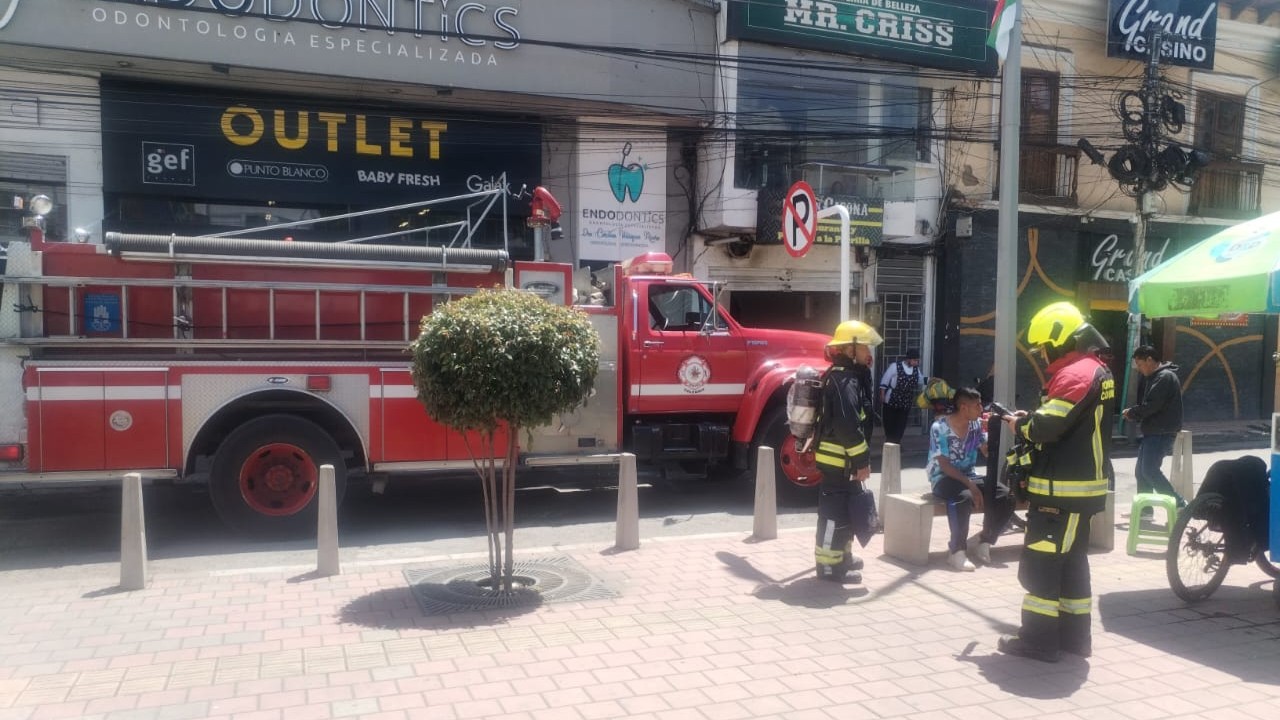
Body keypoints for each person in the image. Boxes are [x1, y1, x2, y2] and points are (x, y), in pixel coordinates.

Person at [997, 301, 1115, 663]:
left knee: (1041, 568)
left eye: (1045, 347)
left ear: (1061, 338)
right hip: (1080, 493)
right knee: (1072, 565)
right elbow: (1068, 422)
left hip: (1059, 495)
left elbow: (1048, 427)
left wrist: (1021, 424)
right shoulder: (1096, 370)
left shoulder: (1076, 374)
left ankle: (1038, 641)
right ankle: (1074, 639)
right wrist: (1032, 417)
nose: (1043, 355)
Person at [813, 320, 882, 583]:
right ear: (850, 349)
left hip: (843, 462)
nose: (869, 354)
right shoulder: (844, 382)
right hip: (838, 463)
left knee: (846, 513)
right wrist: (861, 461)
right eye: (865, 347)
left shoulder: (845, 377)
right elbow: (847, 427)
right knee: (833, 516)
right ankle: (829, 566)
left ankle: (843, 557)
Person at [926, 387, 1015, 571]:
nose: (981, 408)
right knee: (964, 497)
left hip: (969, 476)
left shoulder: (974, 426)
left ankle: (985, 540)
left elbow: (985, 450)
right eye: (977, 405)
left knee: (1006, 496)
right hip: (942, 478)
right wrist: (971, 486)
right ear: (964, 407)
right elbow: (943, 465)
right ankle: (957, 552)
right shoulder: (940, 428)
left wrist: (993, 428)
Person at [1123, 345, 1185, 509]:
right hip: (1154, 431)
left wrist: (1132, 413)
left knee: (1150, 470)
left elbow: (1152, 405)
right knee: (1141, 473)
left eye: (1140, 363)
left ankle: (1178, 504)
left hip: (1161, 432)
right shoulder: (1157, 377)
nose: (1139, 368)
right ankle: (1145, 509)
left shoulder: (1164, 377)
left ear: (1149, 360)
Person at [880, 349, 924, 444]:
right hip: (891, 400)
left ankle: (896, 443)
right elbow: (885, 380)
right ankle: (890, 443)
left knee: (900, 425)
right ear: (908, 359)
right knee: (890, 424)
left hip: (905, 402)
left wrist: (931, 380)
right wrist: (882, 395)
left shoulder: (916, 370)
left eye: (917, 360)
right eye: (915, 360)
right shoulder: (895, 366)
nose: (916, 362)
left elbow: (921, 380)